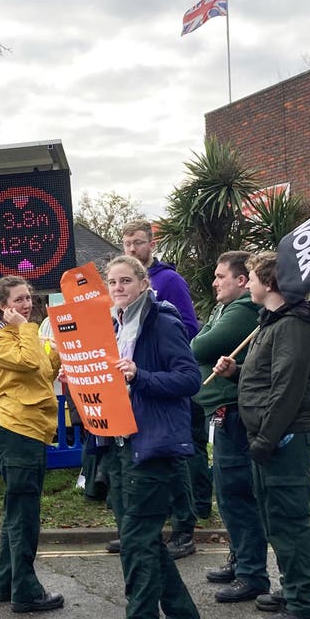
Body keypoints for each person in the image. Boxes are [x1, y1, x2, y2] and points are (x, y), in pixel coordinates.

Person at [93, 255, 204, 619]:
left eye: (126, 280)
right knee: (144, 543)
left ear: (143, 283)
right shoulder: (114, 324)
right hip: (121, 445)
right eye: (112, 282)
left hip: (153, 448)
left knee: (137, 546)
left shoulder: (162, 321)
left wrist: (141, 375)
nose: (118, 287)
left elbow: (188, 379)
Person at [213, 252, 310, 619]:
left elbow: (288, 388)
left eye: (251, 278)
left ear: (270, 283)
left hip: (285, 436)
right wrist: (238, 372)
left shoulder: (293, 326)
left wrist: (266, 438)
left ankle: (304, 606)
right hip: (270, 436)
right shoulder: (273, 322)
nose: (247, 283)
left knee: (289, 520)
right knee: (272, 517)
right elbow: (266, 375)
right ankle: (292, 589)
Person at [112, 219, 207, 559]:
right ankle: (136, 533)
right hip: (130, 402)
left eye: (137, 242)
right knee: (134, 472)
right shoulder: (116, 311)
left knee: (175, 460)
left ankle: (183, 528)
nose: (132, 249)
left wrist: (149, 368)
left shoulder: (170, 281)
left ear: (151, 244)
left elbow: (188, 329)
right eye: (126, 244)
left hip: (161, 390)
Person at [0, 276, 64, 614]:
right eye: (19, 300)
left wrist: (55, 355)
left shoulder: (20, 334)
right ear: (2, 305)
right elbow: (27, 363)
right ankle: (25, 591)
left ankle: (6, 584)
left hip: (31, 428)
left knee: (17, 510)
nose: (27, 304)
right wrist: (28, 330)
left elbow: (40, 372)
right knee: (24, 515)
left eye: (29, 298)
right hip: (17, 430)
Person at [190, 251, 268, 603]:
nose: (214, 282)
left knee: (236, 492)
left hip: (234, 413)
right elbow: (200, 341)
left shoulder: (241, 311)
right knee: (226, 490)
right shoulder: (224, 309)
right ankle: (240, 560)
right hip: (220, 411)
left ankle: (251, 572)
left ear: (241, 280)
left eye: (221, 276)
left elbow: (200, 345)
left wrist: (203, 345)